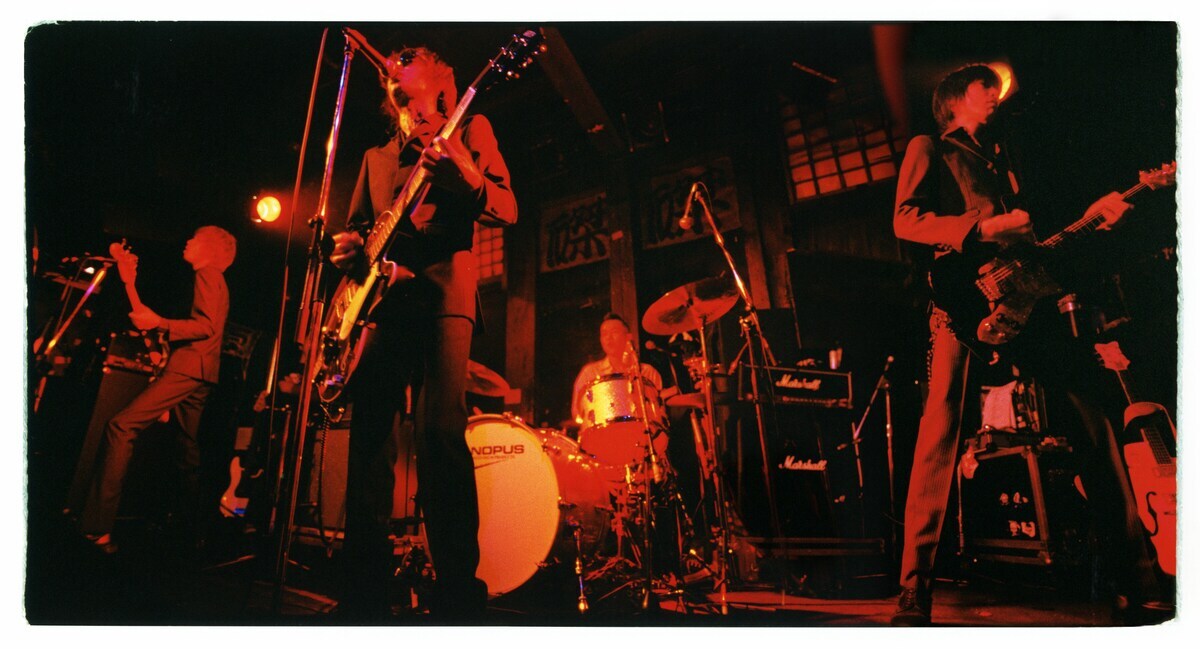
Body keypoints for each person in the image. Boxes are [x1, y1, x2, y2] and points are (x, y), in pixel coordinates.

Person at [891, 64, 1170, 626]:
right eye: (984, 89)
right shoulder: (931, 147)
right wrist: (981, 229)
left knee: (1094, 424)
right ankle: (914, 591)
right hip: (965, 304)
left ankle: (1137, 583)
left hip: (1028, 302)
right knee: (940, 437)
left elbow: (1039, 245)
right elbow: (906, 220)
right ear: (954, 99)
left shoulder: (1005, 158)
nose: (995, 96)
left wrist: (1096, 220)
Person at [328, 45, 516, 619]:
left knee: (439, 436)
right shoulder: (375, 157)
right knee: (370, 441)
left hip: (443, 293)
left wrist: (463, 172)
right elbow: (358, 231)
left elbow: (506, 207)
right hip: (383, 304)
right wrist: (348, 249)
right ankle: (362, 593)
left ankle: (458, 593)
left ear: (439, 80)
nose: (394, 66)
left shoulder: (470, 128)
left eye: (409, 60)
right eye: (392, 64)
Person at [79, 225, 237, 555]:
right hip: (202, 370)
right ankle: (195, 533)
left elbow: (206, 326)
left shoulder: (207, 274)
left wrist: (159, 322)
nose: (187, 241)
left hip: (189, 368)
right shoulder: (215, 279)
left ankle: (97, 528)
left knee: (121, 426)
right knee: (186, 453)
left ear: (209, 249)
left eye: (194, 238)